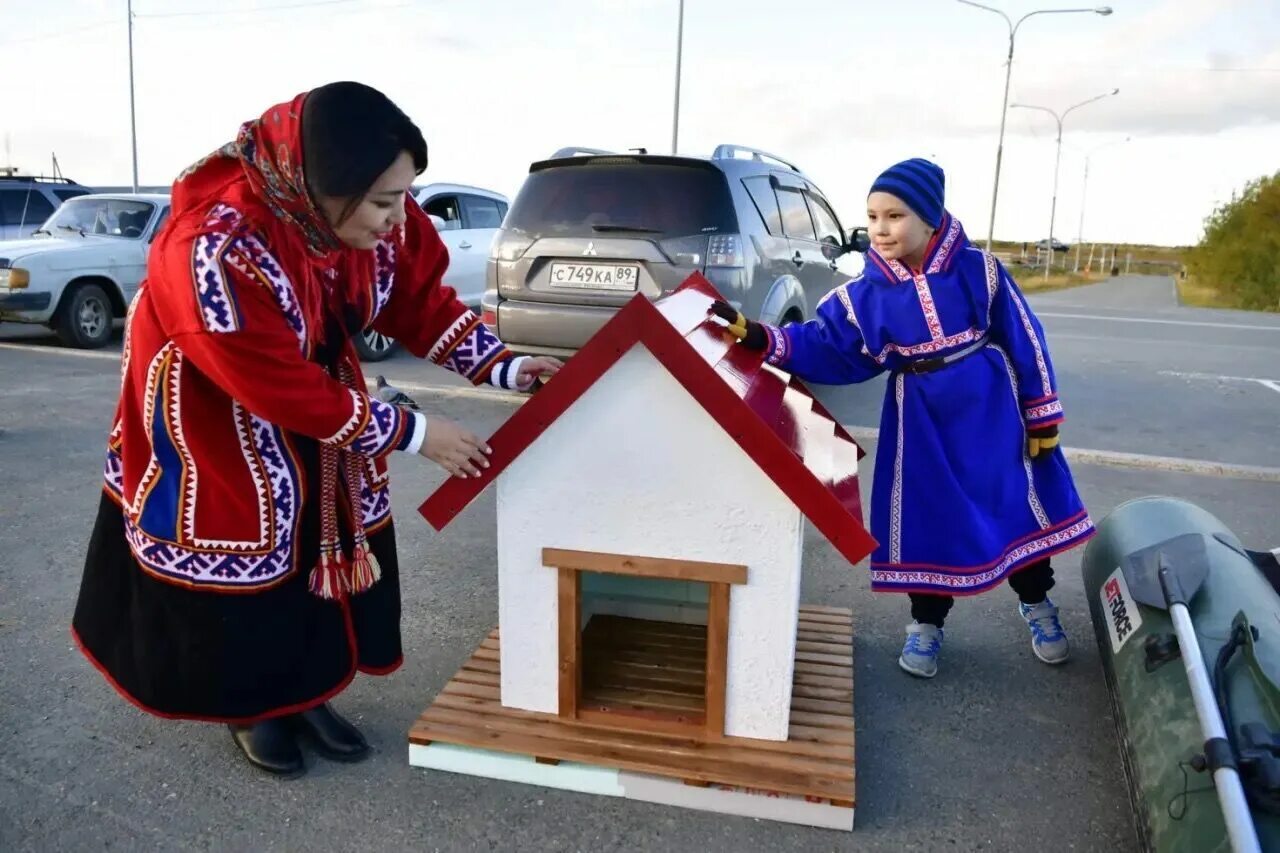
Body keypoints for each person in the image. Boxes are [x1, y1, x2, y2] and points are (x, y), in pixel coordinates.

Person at [71, 82, 561, 776]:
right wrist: (416, 433)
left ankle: (305, 692)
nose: (400, 219)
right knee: (249, 548)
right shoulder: (212, 247)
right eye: (386, 201)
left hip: (313, 395)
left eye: (404, 197)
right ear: (326, 189)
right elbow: (276, 382)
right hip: (215, 412)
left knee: (316, 538)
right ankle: (251, 704)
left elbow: (419, 303)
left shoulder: (365, 219)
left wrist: (505, 368)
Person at [710, 158, 1094, 679]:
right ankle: (927, 625)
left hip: (991, 411)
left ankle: (1038, 606)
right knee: (927, 514)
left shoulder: (979, 270)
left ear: (931, 218)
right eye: (872, 218)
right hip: (922, 420)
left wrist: (1041, 412)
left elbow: (1024, 336)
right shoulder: (863, 296)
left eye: (895, 216)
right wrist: (763, 337)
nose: (881, 229)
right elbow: (827, 345)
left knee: (1012, 505)